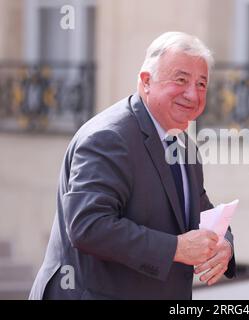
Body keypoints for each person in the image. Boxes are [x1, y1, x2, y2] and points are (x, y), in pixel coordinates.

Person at [29, 32, 236, 300]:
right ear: (146, 81)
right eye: (181, 80)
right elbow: (87, 225)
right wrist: (175, 248)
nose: (192, 94)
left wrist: (224, 245)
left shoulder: (182, 144)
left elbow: (199, 210)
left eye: (201, 84)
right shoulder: (109, 137)